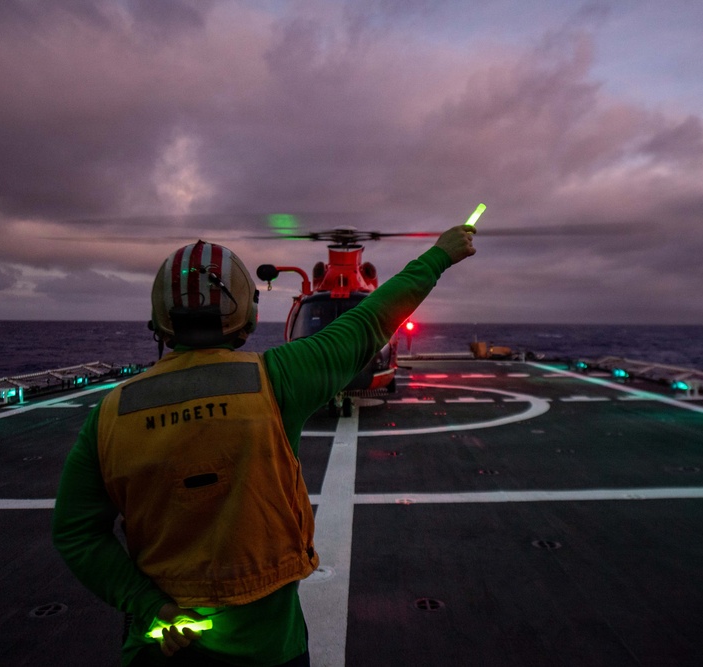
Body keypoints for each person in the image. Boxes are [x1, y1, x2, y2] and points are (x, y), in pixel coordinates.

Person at [52, 224, 476, 666]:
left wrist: (149, 605)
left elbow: (75, 532)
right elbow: (370, 319)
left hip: (161, 643)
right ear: (249, 317)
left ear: (159, 321)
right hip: (268, 647)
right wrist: (439, 255)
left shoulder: (111, 412)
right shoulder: (278, 377)